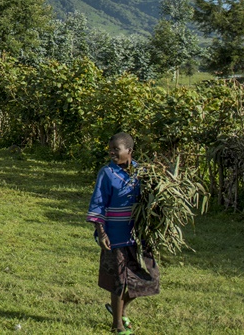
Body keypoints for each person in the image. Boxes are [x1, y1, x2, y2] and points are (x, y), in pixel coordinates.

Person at [87, 132, 159, 335]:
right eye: (110, 149)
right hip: (115, 235)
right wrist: (101, 233)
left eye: (116, 149)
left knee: (149, 278)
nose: (111, 152)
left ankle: (121, 308)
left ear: (129, 151)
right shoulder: (107, 173)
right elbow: (98, 204)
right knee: (118, 280)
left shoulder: (143, 173)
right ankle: (116, 325)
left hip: (138, 236)